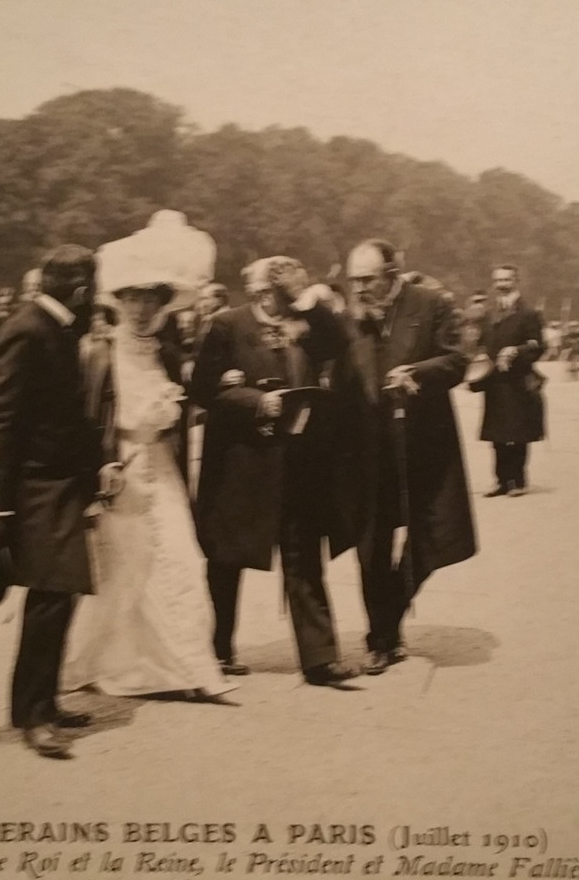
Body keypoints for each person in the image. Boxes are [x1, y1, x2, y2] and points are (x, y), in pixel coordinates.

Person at [62, 213, 236, 703]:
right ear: (117, 302)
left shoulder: (166, 351)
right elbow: (91, 418)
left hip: (162, 470)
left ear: (163, 305)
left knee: (179, 559)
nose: (141, 309)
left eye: (150, 299)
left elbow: (190, 398)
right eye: (132, 298)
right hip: (120, 474)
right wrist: (105, 464)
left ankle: (186, 667)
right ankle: (118, 664)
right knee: (127, 572)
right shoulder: (99, 353)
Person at [0, 245, 119, 759]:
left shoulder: (54, 330)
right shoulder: (26, 330)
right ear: (80, 291)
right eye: (92, 291)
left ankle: (39, 703)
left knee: (60, 595)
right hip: (35, 488)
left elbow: (70, 416)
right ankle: (33, 715)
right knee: (50, 595)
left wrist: (95, 466)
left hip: (60, 484)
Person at [192, 256, 360, 686]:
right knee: (226, 559)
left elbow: (340, 341)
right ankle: (217, 649)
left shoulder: (304, 323)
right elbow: (203, 389)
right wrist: (251, 400)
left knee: (303, 557)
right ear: (264, 293)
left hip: (298, 461)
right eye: (285, 296)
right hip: (241, 464)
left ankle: (320, 658)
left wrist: (308, 301)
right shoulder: (226, 326)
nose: (291, 306)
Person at [342, 239, 477, 676]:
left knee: (431, 537)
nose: (360, 288)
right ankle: (380, 639)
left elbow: (458, 359)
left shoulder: (430, 304)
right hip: (368, 448)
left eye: (369, 279)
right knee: (371, 547)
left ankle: (390, 617)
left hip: (423, 447)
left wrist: (418, 373)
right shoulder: (353, 319)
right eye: (355, 280)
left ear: (393, 275)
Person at [467, 264, 545, 497]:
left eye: (506, 280)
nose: (501, 285)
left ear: (516, 281)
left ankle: (518, 480)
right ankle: (501, 481)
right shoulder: (489, 314)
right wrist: (477, 357)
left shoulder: (529, 314)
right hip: (495, 383)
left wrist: (516, 352)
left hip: (518, 382)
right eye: (498, 281)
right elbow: (480, 343)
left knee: (518, 434)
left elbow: (538, 346)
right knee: (497, 434)